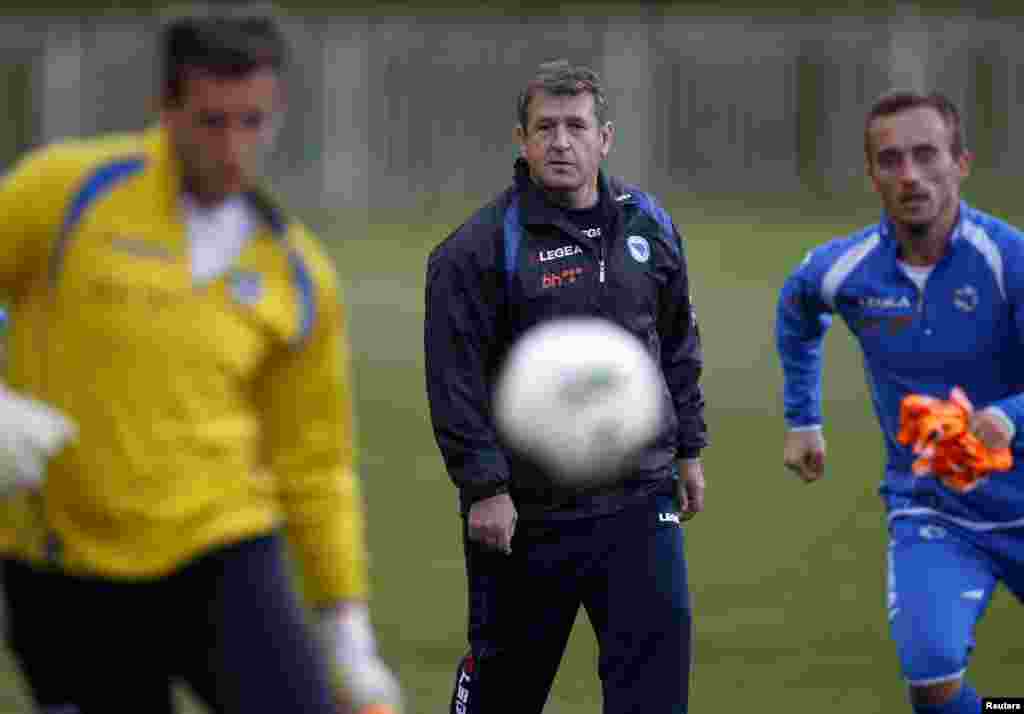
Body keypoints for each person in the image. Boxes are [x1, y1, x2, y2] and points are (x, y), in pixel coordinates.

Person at [0, 12, 401, 714]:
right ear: (165, 110)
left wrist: (348, 634)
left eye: (254, 121)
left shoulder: (295, 270)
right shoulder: (63, 194)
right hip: (63, 566)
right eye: (212, 122)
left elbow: (316, 461)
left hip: (223, 549)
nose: (235, 148)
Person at [425, 60, 708, 714]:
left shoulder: (650, 225)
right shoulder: (477, 249)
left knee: (656, 696)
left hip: (641, 498)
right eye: (544, 127)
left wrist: (689, 448)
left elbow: (676, 340)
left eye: (575, 126)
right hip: (528, 514)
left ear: (604, 137)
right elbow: (455, 380)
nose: (560, 142)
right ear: (520, 141)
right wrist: (485, 489)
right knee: (506, 692)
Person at [776, 90, 1024, 714]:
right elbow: (798, 310)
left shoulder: (1009, 260)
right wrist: (803, 419)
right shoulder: (844, 269)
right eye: (890, 160)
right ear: (871, 174)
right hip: (932, 511)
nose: (909, 175)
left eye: (925, 154)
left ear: (960, 162)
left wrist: (1007, 417)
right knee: (932, 680)